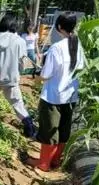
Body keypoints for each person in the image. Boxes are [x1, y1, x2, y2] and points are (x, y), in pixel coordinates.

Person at [26, 13, 84, 172]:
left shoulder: (56, 48)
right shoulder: (78, 45)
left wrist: (37, 79)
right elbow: (81, 68)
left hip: (53, 97)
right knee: (64, 129)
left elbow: (45, 75)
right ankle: (55, 160)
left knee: (49, 129)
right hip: (71, 96)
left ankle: (44, 164)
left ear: (59, 27)